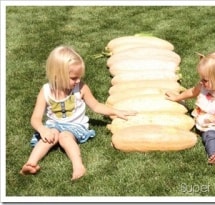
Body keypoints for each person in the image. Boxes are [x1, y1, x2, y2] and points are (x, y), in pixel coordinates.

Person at [20, 45, 136, 180]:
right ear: (57, 75)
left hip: (75, 126)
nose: (78, 80)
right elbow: (35, 118)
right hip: (53, 125)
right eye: (74, 78)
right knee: (48, 137)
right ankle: (31, 163)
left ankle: (78, 165)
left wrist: (115, 111)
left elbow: (96, 106)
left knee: (65, 136)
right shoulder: (45, 91)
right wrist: (42, 129)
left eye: (79, 77)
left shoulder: (80, 88)